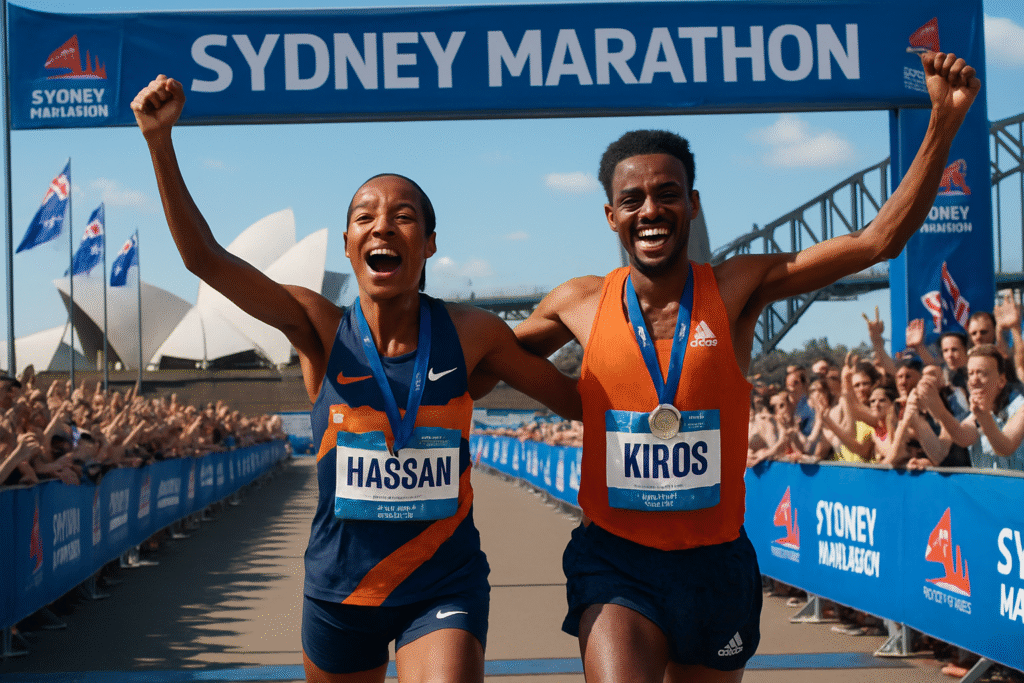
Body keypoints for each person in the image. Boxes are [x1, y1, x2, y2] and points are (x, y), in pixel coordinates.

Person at [491, 51, 978, 682]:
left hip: (715, 564)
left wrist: (943, 119)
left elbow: (875, 242)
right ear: (611, 216)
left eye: (667, 195)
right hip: (615, 561)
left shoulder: (737, 286)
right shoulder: (578, 301)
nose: (649, 211)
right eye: (631, 199)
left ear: (692, 205)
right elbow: (484, 356)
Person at [131, 76, 582, 683]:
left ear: (428, 244)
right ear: (347, 246)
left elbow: (575, 402)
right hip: (340, 591)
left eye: (403, 217)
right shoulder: (317, 324)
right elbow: (204, 259)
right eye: (364, 217)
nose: (382, 226)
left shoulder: (471, 333)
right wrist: (160, 143)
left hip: (442, 584)